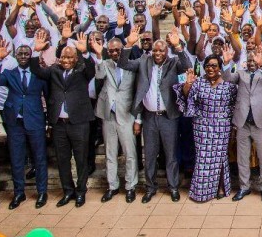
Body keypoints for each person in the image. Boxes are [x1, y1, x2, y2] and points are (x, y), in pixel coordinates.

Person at [118, 26, 191, 203]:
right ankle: (150, 188)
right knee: (150, 154)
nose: (157, 53)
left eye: (161, 50)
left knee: (171, 154)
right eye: (155, 50)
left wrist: (179, 47)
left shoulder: (173, 62)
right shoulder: (144, 61)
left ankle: (173, 187)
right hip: (149, 116)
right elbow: (124, 63)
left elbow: (188, 67)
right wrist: (128, 44)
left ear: (167, 51)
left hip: (168, 116)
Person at [30, 32, 96, 208]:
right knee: (62, 159)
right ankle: (68, 191)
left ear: (76, 59)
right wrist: (36, 52)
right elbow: (36, 70)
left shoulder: (83, 71)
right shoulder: (53, 71)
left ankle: (81, 192)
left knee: (81, 159)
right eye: (63, 57)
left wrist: (86, 52)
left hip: (79, 123)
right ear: (59, 58)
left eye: (70, 58)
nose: (66, 60)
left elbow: (92, 69)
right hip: (59, 123)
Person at [0, 43, 50, 210]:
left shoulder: (39, 75)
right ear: (16, 56)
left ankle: (42, 192)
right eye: (20, 54)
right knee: (16, 158)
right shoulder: (9, 73)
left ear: (30, 56)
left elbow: (48, 95)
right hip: (14, 122)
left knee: (39, 158)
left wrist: (48, 122)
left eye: (26, 53)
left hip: (35, 120)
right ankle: (19, 192)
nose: (23, 56)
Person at [175, 54, 236, 202]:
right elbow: (186, 96)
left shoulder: (228, 84)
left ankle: (221, 187)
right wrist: (188, 84)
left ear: (220, 68)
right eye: (208, 65)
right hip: (201, 126)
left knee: (219, 158)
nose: (211, 68)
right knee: (203, 158)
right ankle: (202, 191)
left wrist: (233, 125)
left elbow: (235, 104)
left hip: (222, 126)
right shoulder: (199, 82)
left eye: (214, 66)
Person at [222, 49, 262, 203]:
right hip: (243, 122)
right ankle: (244, 187)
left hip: (261, 122)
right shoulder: (240, 73)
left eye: (255, 61)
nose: (252, 63)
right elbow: (227, 78)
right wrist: (226, 62)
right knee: (242, 157)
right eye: (250, 61)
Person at [92, 38, 138, 204]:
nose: (114, 53)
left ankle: (130, 186)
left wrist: (137, 117)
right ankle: (112, 186)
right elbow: (98, 75)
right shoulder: (105, 64)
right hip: (108, 115)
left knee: (129, 153)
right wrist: (98, 55)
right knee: (110, 153)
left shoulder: (132, 65)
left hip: (126, 115)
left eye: (117, 50)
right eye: (111, 51)